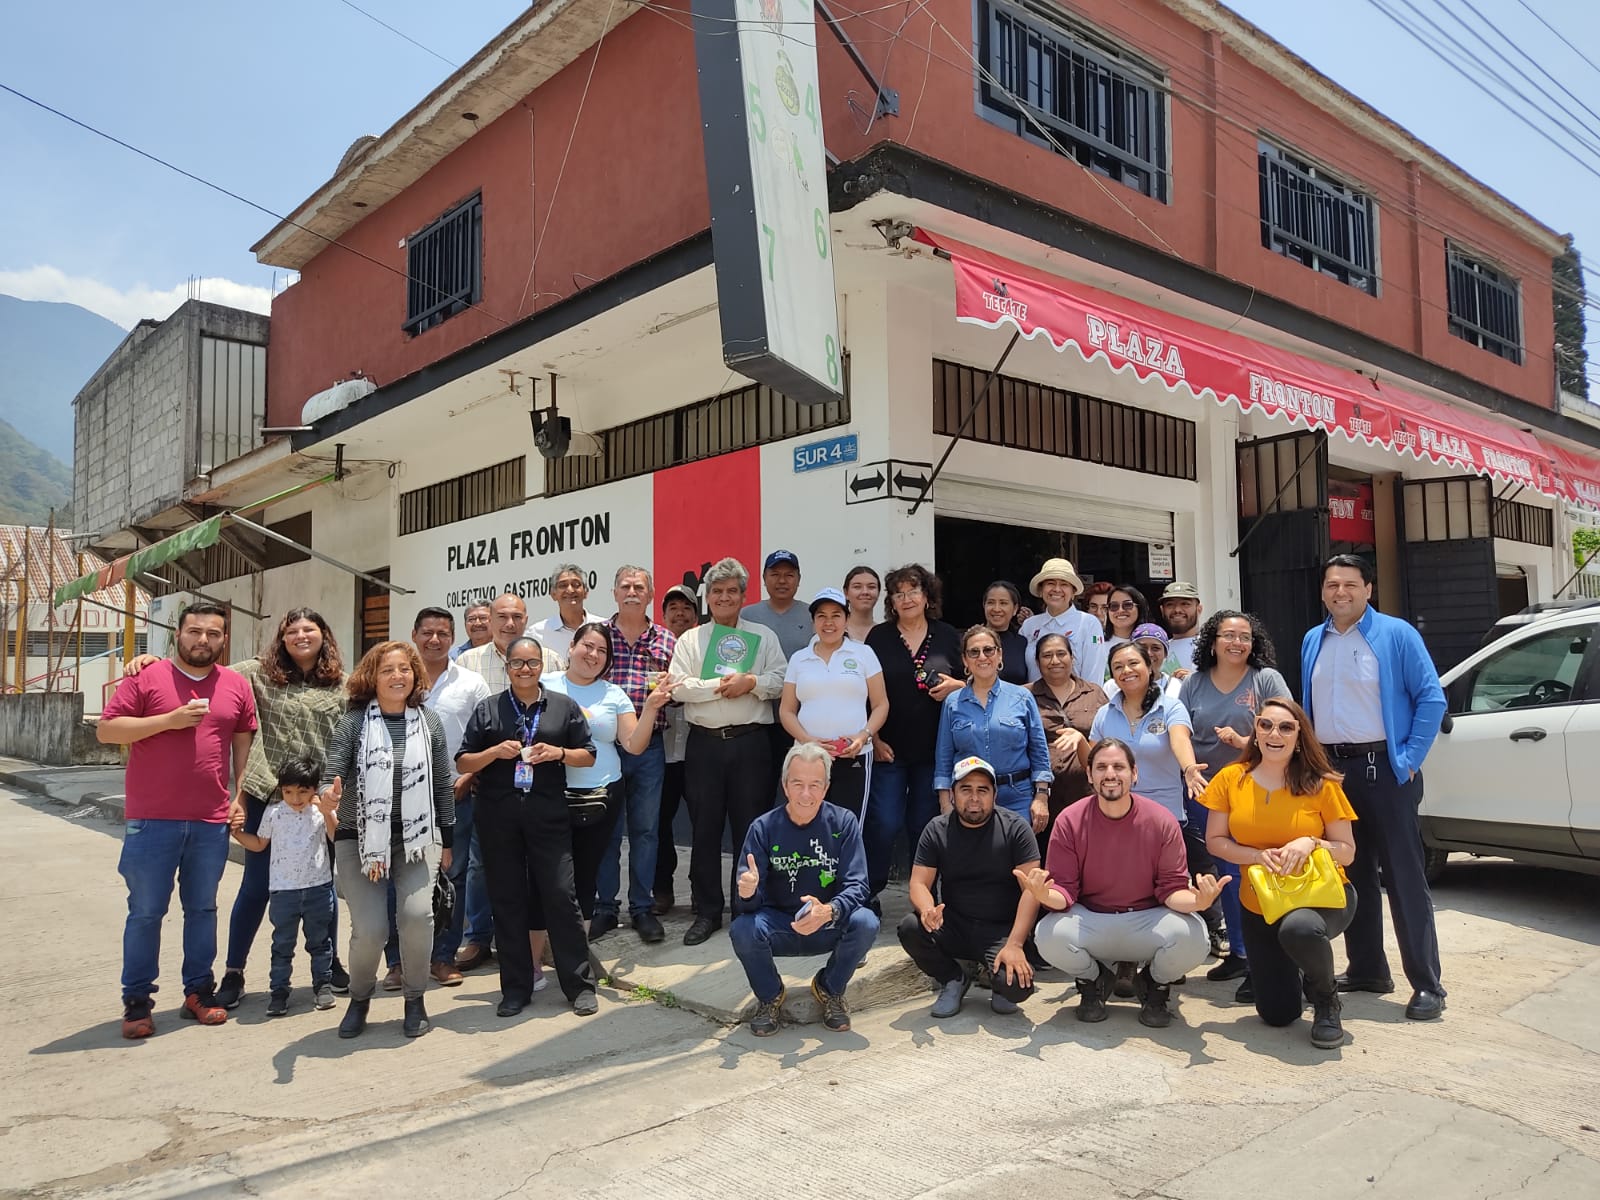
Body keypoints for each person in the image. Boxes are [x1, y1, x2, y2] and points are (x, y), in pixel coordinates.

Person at [121, 606, 350, 1009]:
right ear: (281, 638)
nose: (300, 635)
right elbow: (202, 670)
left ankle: (328, 965)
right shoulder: (254, 673)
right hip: (267, 794)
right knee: (258, 885)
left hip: (317, 801)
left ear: (324, 635)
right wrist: (151, 660)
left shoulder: (342, 685)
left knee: (320, 884)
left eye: (309, 629)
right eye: (291, 629)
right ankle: (234, 971)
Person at [98, 601, 259, 1039]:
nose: (202, 640)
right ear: (178, 633)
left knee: (203, 909)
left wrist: (238, 798)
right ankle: (137, 1002)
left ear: (224, 639)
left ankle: (198, 992)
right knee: (146, 912)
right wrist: (167, 720)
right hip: (152, 820)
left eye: (212, 633)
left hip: (209, 821)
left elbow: (242, 749)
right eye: (194, 631)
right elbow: (107, 730)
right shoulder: (146, 677)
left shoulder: (235, 685)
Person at [1300, 554, 1447, 1021]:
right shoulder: (1312, 639)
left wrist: (1408, 759)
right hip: (1333, 775)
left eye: (1348, 584)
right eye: (1330, 585)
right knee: (1351, 875)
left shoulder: (1396, 634)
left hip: (1384, 768)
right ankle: (1367, 969)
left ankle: (1427, 983)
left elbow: (1431, 696)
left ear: (1368, 589)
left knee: (1404, 878)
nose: (1339, 592)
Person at [1026, 739, 1224, 1027]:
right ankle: (1094, 981)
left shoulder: (1161, 820)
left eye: (1119, 766)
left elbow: (1171, 889)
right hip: (1093, 919)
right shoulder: (1070, 820)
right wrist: (1044, 894)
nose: (1110, 774)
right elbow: (1065, 892)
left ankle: (1154, 984)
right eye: (1101, 767)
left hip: (1147, 921)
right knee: (1047, 934)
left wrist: (1199, 902)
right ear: (1090, 774)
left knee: (1195, 938)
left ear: (1134, 774)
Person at [1201, 697, 1359, 1049]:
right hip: (1260, 905)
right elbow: (1215, 841)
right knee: (1277, 1014)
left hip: (1321, 898)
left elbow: (1347, 853)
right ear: (1255, 732)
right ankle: (1303, 968)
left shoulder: (1321, 783)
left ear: (1300, 737)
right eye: (1266, 725)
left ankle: (1325, 998)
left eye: (1286, 727)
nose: (1275, 733)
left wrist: (1311, 842)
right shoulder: (1231, 779)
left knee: (1299, 928)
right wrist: (1256, 856)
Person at [456, 636, 601, 1017]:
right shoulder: (489, 709)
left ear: (542, 666)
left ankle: (579, 986)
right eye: (518, 664)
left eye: (532, 663)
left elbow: (588, 755)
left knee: (560, 896)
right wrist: (492, 753)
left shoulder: (563, 707)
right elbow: (463, 763)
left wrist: (558, 753)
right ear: (507, 668)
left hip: (548, 816)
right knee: (507, 902)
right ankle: (516, 988)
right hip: (498, 819)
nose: (525, 669)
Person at [320, 641, 455, 1039]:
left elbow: (443, 785)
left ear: (415, 675)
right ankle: (360, 999)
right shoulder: (354, 722)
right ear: (371, 678)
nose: (397, 676)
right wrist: (328, 795)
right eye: (387, 670)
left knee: (416, 917)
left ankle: (415, 999)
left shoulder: (428, 721)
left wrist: (448, 840)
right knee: (372, 929)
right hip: (358, 839)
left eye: (404, 669)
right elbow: (332, 771)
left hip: (418, 838)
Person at [667, 558, 789, 945]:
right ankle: (706, 911)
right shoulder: (691, 639)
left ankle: (746, 907)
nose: (724, 597)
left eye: (731, 591)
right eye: (716, 591)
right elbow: (679, 687)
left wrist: (751, 682)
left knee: (750, 829)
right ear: (708, 596)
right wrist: (721, 686)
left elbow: (782, 679)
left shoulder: (763, 636)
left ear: (742, 596)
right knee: (704, 829)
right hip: (704, 744)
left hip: (751, 742)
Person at [729, 743, 877, 1036]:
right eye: (798, 784)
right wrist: (747, 892)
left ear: (826, 787)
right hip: (778, 924)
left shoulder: (843, 822)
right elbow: (746, 907)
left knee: (866, 922)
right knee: (742, 929)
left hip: (826, 920)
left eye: (814, 785)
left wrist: (830, 910)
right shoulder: (763, 828)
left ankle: (830, 989)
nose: (806, 794)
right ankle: (770, 996)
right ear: (785, 785)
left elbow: (858, 885)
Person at [1179, 611, 1290, 991]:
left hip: (1254, 793)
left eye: (1244, 636)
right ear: (1212, 641)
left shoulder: (1266, 680)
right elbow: (1180, 731)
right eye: (1228, 635)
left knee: (1253, 873)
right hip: (1205, 793)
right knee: (1225, 875)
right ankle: (1240, 954)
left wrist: (1245, 744)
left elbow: (1289, 729)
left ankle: (1264, 960)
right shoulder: (1192, 683)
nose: (1236, 643)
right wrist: (1189, 768)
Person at [545, 621, 672, 942]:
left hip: (602, 791)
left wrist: (652, 708)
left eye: (602, 651)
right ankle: (596, 914)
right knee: (560, 871)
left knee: (608, 850)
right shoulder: (544, 685)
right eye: (588, 646)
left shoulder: (613, 693)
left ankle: (629, 911)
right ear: (571, 647)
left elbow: (633, 745)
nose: (594, 654)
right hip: (553, 794)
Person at [898, 756, 1042, 1017]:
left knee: (1016, 989)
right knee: (910, 927)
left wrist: (1016, 944)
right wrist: (927, 908)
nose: (974, 798)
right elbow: (919, 882)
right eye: (966, 789)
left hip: (1001, 929)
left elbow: (1032, 892)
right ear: (952, 794)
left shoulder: (1016, 829)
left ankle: (997, 981)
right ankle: (953, 979)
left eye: (982, 790)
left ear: (994, 795)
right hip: (955, 924)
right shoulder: (937, 829)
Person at [864, 564, 963, 904]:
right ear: (891, 600)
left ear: (926, 596)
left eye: (913, 591)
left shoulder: (949, 635)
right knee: (884, 823)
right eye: (898, 593)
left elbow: (978, 683)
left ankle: (925, 899)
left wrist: (957, 686)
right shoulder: (879, 637)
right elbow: (865, 693)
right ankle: (867, 893)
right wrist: (873, 739)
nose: (906, 599)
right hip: (888, 749)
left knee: (924, 827)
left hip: (935, 753)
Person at [411, 607, 492, 988]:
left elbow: (486, 738)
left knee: (451, 876)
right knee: (403, 877)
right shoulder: (398, 678)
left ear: (451, 636)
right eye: (427, 632)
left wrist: (470, 775)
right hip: (403, 795)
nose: (435, 640)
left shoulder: (471, 683)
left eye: (443, 633)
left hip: (456, 793)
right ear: (415, 635)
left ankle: (443, 957)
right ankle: (399, 962)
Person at [597, 565, 677, 944]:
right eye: (625, 586)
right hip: (604, 749)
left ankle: (641, 908)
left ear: (650, 595)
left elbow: (679, 691)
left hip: (649, 748)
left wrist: (670, 691)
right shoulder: (597, 637)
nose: (632, 591)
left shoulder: (666, 640)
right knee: (607, 832)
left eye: (639, 587)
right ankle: (605, 908)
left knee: (646, 831)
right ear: (614, 593)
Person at [227, 756, 339, 1016]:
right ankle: (279, 991)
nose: (295, 798)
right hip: (283, 892)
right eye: (288, 791)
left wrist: (327, 811)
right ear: (281, 790)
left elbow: (335, 837)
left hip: (318, 889)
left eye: (303, 791)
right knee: (282, 945)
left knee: (320, 942)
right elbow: (259, 844)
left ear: (314, 789)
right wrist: (237, 834)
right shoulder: (274, 813)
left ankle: (323, 985)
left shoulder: (320, 813)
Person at [779, 586, 888, 819]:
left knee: (847, 825)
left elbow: (881, 704)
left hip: (853, 756)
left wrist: (863, 736)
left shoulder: (864, 654)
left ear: (847, 619)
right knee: (806, 821)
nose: (829, 623)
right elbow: (787, 711)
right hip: (808, 758)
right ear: (813, 622)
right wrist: (810, 742)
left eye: (836, 615)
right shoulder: (799, 658)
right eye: (822, 616)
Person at [935, 626, 1052, 832]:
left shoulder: (1022, 697)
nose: (982, 657)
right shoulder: (953, 703)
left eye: (988, 650)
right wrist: (946, 804)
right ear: (965, 661)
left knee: (1017, 863)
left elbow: (1039, 752)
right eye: (974, 652)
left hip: (1017, 796)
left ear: (999, 655)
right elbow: (944, 757)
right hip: (970, 799)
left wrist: (1041, 796)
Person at [1090, 642, 1203, 827]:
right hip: (1115, 815)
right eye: (1118, 667)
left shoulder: (1171, 707)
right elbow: (1093, 763)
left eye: (1133, 663)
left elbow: (1180, 740)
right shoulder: (1104, 713)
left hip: (1164, 815)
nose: (1126, 670)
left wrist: (1189, 767)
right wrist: (1079, 741)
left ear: (1149, 668)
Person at [744, 549, 812, 798]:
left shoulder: (811, 615)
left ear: (799, 579)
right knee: (757, 792)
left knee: (796, 789)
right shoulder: (747, 615)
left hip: (799, 720)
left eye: (789, 575)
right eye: (775, 574)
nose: (782, 580)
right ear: (764, 578)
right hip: (758, 720)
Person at [1027, 633, 1101, 856]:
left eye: (1061, 653)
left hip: (1086, 797)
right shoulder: (1025, 695)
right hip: (1041, 802)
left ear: (1072, 657)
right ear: (1037, 662)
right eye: (1047, 655)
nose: (1055, 660)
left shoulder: (1094, 693)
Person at [652, 584, 699, 916]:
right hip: (662, 755)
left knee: (704, 824)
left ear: (696, 616)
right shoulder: (654, 650)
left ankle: (702, 891)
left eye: (687, 608)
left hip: (698, 754)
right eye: (673, 608)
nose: (680, 613)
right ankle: (662, 890)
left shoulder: (702, 650)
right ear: (664, 615)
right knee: (658, 825)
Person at [1020, 558, 1107, 686]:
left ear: (1073, 592)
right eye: (1050, 583)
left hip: (1076, 704)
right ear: (1041, 590)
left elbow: (1094, 677)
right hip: (1033, 703)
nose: (1057, 589)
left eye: (1064, 584)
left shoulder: (1089, 624)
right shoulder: (1029, 626)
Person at [458, 592, 561, 694]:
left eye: (517, 617)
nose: (510, 624)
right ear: (490, 620)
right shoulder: (467, 662)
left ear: (525, 620)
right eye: (502, 617)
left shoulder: (551, 660)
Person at [532, 564, 594, 664]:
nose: (570, 590)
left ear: (586, 592)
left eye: (576, 584)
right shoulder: (537, 633)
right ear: (553, 594)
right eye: (563, 585)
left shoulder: (604, 627)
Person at [1099, 623, 1183, 697]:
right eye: (1143, 648)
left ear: (1165, 654)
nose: (1149, 653)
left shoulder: (1177, 685)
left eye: (1155, 648)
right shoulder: (1113, 686)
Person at [982, 580, 1030, 686]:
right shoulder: (971, 641)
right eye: (991, 602)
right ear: (984, 605)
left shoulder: (1022, 643)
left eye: (1003, 603)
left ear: (1015, 609)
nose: (996, 609)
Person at [1158, 582, 1203, 672]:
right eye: (1170, 604)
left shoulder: (1212, 647)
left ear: (1199, 609)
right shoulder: (1157, 650)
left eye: (1185, 604)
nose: (1177, 610)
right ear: (1162, 610)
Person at [1104, 585, 1152, 661]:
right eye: (1114, 606)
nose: (1120, 610)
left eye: (1127, 605)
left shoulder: (1151, 641)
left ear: (1139, 608)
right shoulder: (1097, 639)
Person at [843, 564, 881, 644]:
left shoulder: (886, 634)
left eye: (871, 587)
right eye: (857, 587)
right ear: (846, 593)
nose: (865, 592)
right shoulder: (833, 632)